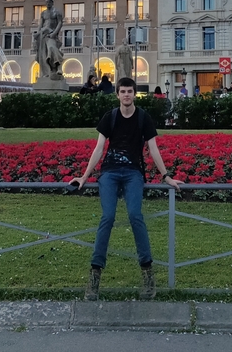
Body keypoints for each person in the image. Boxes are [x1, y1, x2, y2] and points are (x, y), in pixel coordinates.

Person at [70, 77, 182, 301]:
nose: (127, 95)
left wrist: (166, 176)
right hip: (110, 173)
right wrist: (84, 176)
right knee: (107, 217)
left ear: (134, 94)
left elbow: (153, 149)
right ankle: (95, 275)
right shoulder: (110, 117)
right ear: (118, 95)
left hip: (133, 174)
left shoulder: (143, 118)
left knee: (135, 215)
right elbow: (99, 148)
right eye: (123, 91)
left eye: (130, 91)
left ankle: (148, 273)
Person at [36, 0, 64, 78]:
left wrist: (54, 33)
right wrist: (38, 33)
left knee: (52, 47)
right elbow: (41, 24)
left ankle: (58, 66)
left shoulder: (57, 12)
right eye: (46, 2)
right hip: (43, 34)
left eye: (49, 2)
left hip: (51, 34)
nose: (48, 3)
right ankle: (48, 72)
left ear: (52, 3)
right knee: (42, 54)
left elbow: (60, 23)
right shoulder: (43, 13)